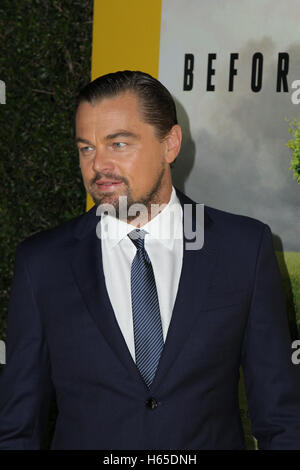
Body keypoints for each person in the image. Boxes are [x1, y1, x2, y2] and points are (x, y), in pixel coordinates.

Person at [0, 70, 300, 450]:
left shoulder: (242, 249)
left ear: (170, 144)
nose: (98, 166)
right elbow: (15, 429)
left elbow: (282, 421)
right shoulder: (42, 263)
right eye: (86, 148)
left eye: (119, 144)